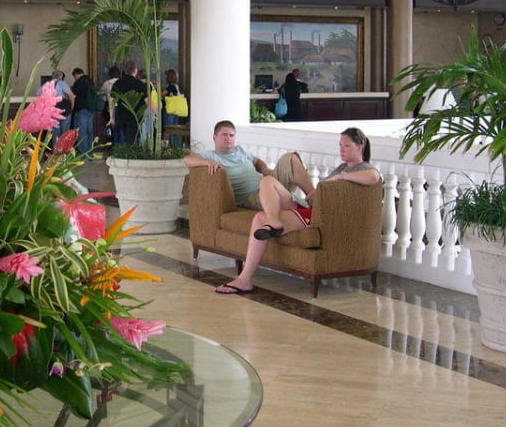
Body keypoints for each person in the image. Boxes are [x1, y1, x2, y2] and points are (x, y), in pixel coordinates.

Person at [215, 127, 382, 295]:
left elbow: (374, 177)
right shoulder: (342, 166)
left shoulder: (362, 168)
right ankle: (273, 220)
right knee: (267, 181)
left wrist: (341, 176)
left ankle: (244, 280)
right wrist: (317, 190)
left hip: (315, 215)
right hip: (308, 206)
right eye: (340, 145)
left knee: (259, 218)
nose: (341, 150)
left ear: (359, 147)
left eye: (346, 146)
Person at [182, 120, 312, 210]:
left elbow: (256, 161)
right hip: (251, 197)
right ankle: (302, 206)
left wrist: (264, 169)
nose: (228, 138)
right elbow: (187, 159)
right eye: (224, 135)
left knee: (290, 158)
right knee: (268, 184)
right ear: (214, 138)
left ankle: (312, 197)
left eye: (231, 135)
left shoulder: (240, 150)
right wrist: (207, 162)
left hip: (268, 183)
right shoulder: (211, 156)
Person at [110, 60, 147, 146]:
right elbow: (147, 101)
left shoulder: (117, 83)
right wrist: (157, 110)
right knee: (133, 142)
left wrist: (112, 117)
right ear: (135, 70)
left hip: (120, 116)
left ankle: (120, 154)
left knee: (120, 141)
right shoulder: (139, 84)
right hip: (135, 117)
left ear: (125, 71)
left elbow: (112, 101)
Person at [38, 70, 74, 148]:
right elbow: (71, 95)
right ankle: (63, 152)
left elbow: (38, 93)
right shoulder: (62, 83)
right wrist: (72, 107)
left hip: (53, 110)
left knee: (55, 133)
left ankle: (56, 151)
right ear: (61, 76)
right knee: (65, 133)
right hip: (65, 111)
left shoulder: (47, 84)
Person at [70, 67, 98, 157]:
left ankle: (83, 155)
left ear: (76, 75)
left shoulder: (79, 82)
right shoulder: (90, 81)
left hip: (81, 109)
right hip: (91, 110)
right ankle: (90, 153)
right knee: (89, 132)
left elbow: (73, 95)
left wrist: (72, 107)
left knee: (82, 132)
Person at [162, 69, 183, 146]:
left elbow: (161, 94)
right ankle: (176, 146)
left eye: (166, 76)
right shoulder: (176, 86)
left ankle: (166, 146)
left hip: (169, 111)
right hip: (175, 111)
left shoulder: (170, 86)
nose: (165, 78)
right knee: (175, 129)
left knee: (168, 129)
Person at [100, 66, 121, 143]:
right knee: (120, 128)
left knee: (112, 127)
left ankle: (113, 144)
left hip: (109, 106)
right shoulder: (121, 82)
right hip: (121, 107)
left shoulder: (107, 83)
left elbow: (102, 95)